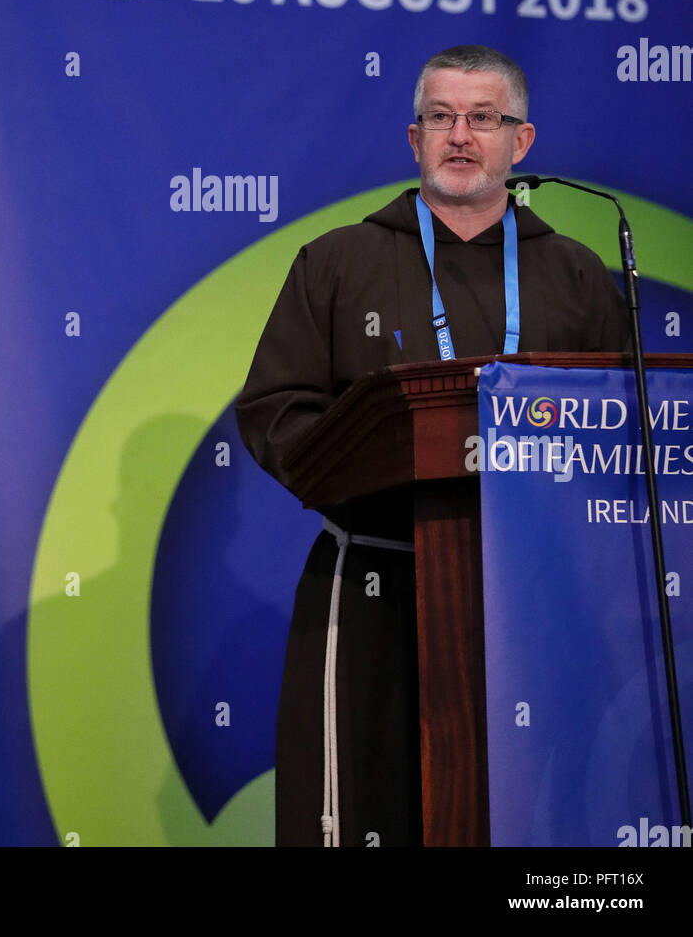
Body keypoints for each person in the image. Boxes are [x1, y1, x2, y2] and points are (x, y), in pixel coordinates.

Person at [235, 44, 630, 848]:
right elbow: (276, 408)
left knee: (528, 818)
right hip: (378, 578)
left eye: (483, 118)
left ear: (520, 143)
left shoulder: (578, 274)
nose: (459, 135)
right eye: (440, 118)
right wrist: (362, 468)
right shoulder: (338, 262)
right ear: (411, 138)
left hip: (537, 598)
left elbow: (622, 423)